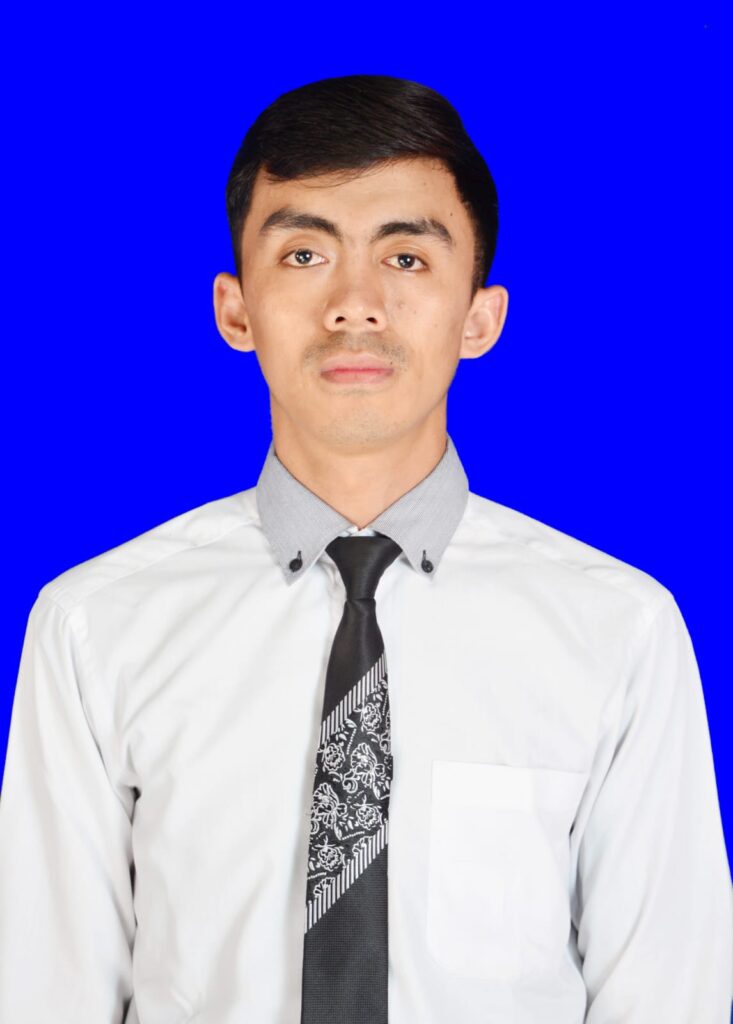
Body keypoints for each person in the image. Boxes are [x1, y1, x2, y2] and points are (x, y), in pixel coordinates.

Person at [0, 74, 730, 1023]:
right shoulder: (96, 628)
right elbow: (45, 992)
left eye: (406, 258)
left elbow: (668, 996)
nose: (354, 304)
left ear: (479, 317)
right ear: (235, 309)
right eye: (304, 254)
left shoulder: (617, 630)